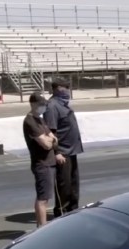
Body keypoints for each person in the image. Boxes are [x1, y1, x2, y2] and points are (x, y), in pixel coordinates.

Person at [44, 78, 84, 217]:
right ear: (56, 89)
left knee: (74, 184)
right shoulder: (52, 106)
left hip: (72, 150)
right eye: (65, 87)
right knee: (64, 186)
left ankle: (73, 211)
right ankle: (61, 213)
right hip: (63, 152)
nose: (67, 90)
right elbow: (51, 131)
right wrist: (57, 152)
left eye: (68, 87)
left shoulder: (64, 104)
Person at [22, 92, 58, 227]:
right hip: (42, 164)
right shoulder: (30, 121)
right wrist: (51, 140)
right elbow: (47, 143)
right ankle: (41, 227)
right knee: (42, 198)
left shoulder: (40, 119)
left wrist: (51, 139)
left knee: (46, 197)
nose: (43, 107)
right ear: (33, 104)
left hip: (49, 162)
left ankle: (41, 225)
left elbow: (54, 139)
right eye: (40, 104)